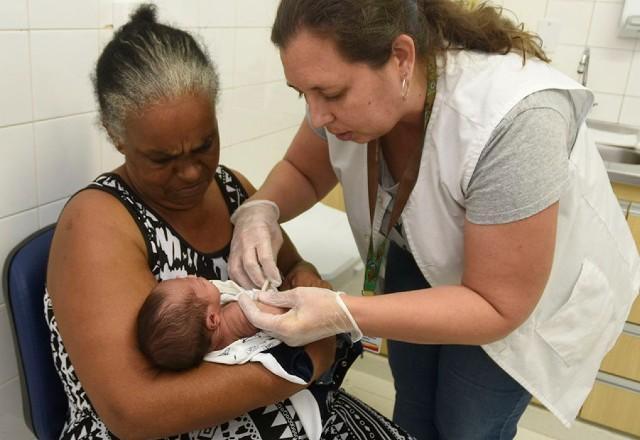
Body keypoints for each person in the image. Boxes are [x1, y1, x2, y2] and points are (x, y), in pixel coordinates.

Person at [230, 1, 640, 439]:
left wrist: (342, 312)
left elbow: (497, 304)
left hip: (511, 294)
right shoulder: (348, 97)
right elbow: (304, 171)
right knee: (415, 406)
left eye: (330, 95)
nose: (317, 117)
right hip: (421, 256)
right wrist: (262, 208)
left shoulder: (515, 119)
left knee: (468, 425)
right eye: (303, 94)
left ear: (401, 58)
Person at [45, 4, 415, 439]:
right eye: (162, 159)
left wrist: (310, 286)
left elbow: (294, 267)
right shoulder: (98, 221)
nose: (190, 173)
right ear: (116, 135)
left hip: (294, 406)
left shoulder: (231, 187)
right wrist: (308, 358)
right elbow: (135, 412)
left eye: (204, 145)